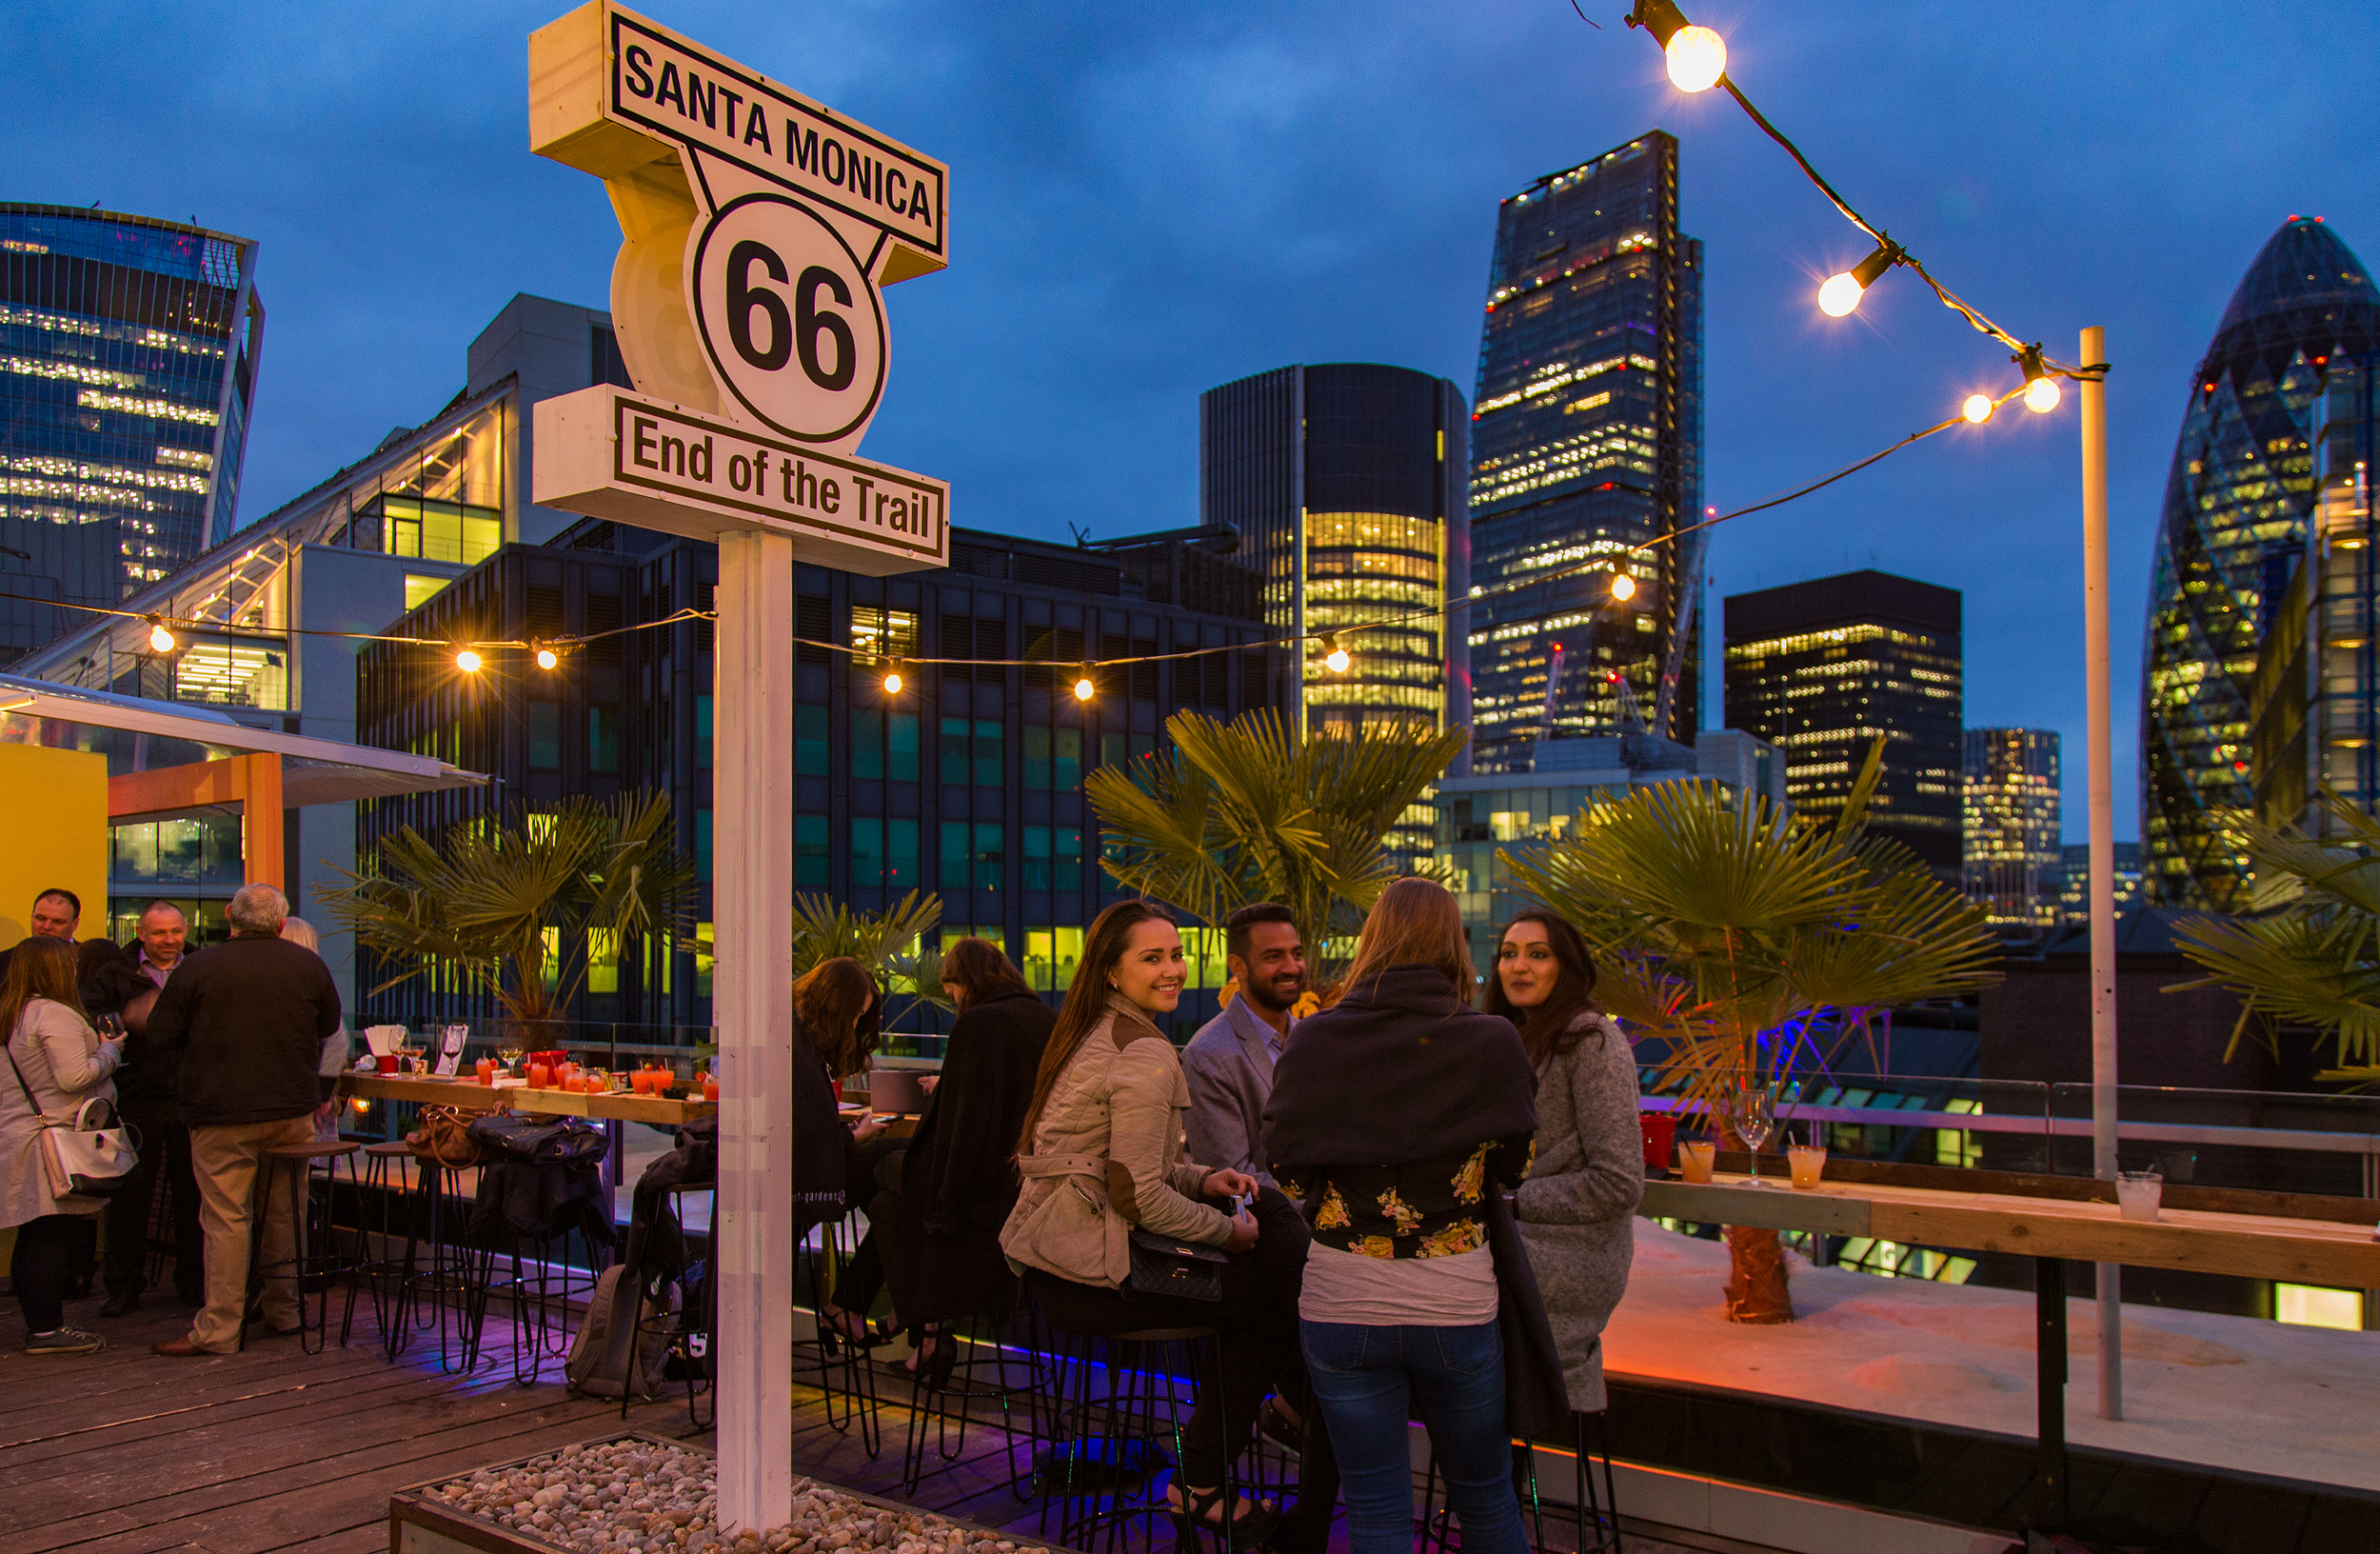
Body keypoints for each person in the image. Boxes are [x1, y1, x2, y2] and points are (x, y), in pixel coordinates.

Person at [1002, 900, 1327, 1546]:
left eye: (1175, 954)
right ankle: (1213, 1474)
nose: (1172, 969)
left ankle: (1295, 1408)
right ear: (1111, 974)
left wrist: (1203, 1179)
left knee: (1276, 1242)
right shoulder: (1146, 1055)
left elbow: (1114, 1166)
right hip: (1090, 1272)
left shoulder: (1095, 1035)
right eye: (1151, 958)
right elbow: (1138, 1197)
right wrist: (1225, 1230)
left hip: (1057, 1261)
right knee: (1273, 1298)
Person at [1264, 877, 1554, 1554]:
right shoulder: (1491, 1041)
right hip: (1454, 1301)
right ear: (1453, 943)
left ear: (1372, 942)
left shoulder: (1314, 1039)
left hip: (1342, 1298)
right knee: (1485, 1500)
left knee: (1373, 1511)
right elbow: (1518, 1167)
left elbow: (1283, 1168)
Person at [144, 883, 342, 1357]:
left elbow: (161, 1032)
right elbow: (328, 1026)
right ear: (279, 923)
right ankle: (286, 1311)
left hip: (220, 1112)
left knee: (227, 1220)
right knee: (284, 1214)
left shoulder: (198, 967)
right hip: (291, 1112)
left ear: (230, 915)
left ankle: (221, 1330)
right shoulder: (307, 965)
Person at [851, 937, 1056, 1381]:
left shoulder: (977, 1024)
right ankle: (912, 1331)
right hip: (1027, 1187)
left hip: (980, 1195)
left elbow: (964, 1127)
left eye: (953, 991)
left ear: (968, 981)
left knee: (876, 1171)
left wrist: (945, 1205)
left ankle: (908, 1322)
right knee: (888, 1202)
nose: (954, 1000)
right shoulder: (1047, 1018)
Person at [1485, 908, 1642, 1416]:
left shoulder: (1593, 1041)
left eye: (1538, 954)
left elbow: (1618, 1183)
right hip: (1518, 1239)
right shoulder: (1511, 1038)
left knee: (1435, 1290)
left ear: (1565, 967)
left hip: (1574, 1253)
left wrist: (1511, 1201)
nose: (1519, 967)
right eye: (1509, 954)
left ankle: (1484, 1482)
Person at [0, 936, 124, 1354]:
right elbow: (74, 1077)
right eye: (70, 964)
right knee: (49, 1235)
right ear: (57, 969)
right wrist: (110, 1051)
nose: (75, 970)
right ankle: (46, 1330)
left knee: (33, 1234)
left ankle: (42, 1326)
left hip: (20, 1135)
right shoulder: (53, 1014)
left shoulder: (11, 1013)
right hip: (51, 1140)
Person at [83, 901, 205, 1316]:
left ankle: (194, 1281)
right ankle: (123, 1286)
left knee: (194, 1194)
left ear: (185, 928)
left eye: (175, 931)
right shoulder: (114, 973)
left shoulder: (200, 966)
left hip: (190, 1096)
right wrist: (123, 1022)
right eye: (159, 933)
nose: (169, 940)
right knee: (130, 1196)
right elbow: (90, 1016)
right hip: (136, 1096)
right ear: (141, 932)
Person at [1181, 903, 1307, 1185]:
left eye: (1297, 954)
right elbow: (1232, 1179)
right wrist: (1323, 1199)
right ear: (1238, 967)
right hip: (1268, 1223)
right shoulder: (1207, 1055)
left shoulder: (1311, 1039)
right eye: (1273, 956)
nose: (1291, 967)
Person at [276, 917, 355, 1139]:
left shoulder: (297, 985)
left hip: (300, 1097)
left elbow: (337, 1040)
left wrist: (322, 1094)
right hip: (310, 1093)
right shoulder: (315, 980)